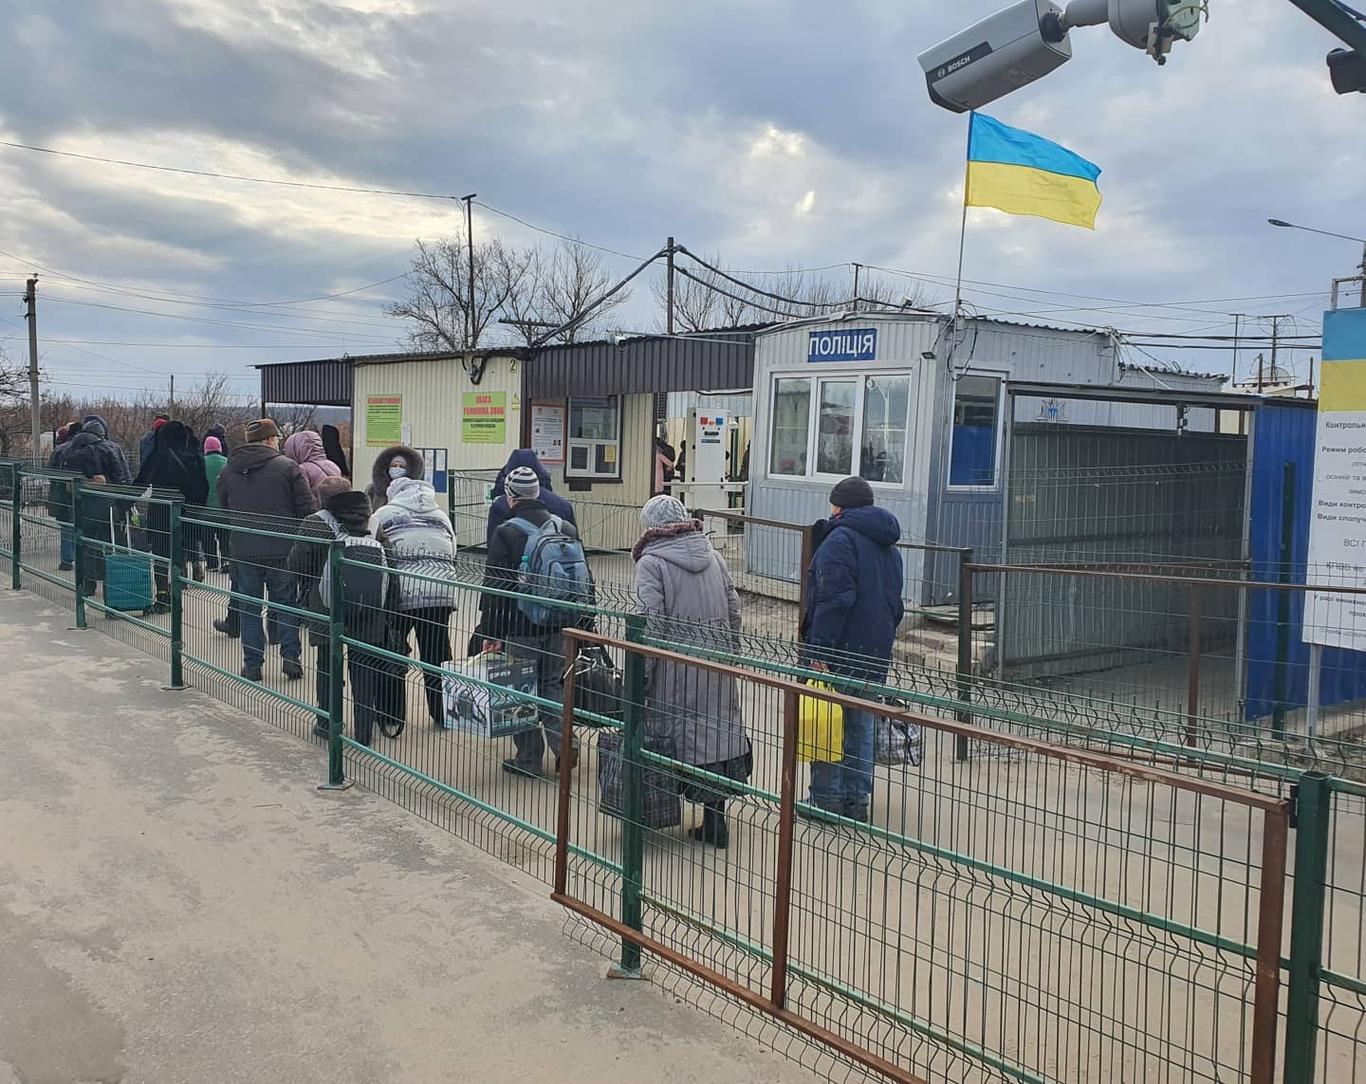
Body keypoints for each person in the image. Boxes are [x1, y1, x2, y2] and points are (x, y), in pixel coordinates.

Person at [632, 495, 751, 848]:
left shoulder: (651, 563)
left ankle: (656, 813)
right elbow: (733, 607)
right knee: (716, 734)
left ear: (651, 527)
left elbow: (650, 622)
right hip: (715, 661)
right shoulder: (713, 556)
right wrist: (731, 651)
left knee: (673, 740)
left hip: (674, 668)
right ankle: (715, 820)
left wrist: (642, 672)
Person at [801, 476, 904, 824]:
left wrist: (819, 653)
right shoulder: (888, 545)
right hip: (875, 648)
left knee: (828, 721)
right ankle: (856, 801)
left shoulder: (839, 541)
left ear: (838, 507)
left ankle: (826, 799)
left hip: (841, 649)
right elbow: (895, 603)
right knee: (862, 725)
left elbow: (833, 601)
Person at [479, 465, 584, 777]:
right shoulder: (565, 528)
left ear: (510, 497)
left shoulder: (506, 532)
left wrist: (491, 632)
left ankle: (528, 759)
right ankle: (564, 742)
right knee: (552, 683)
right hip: (560, 621)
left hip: (520, 625)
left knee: (520, 689)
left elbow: (496, 587)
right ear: (538, 493)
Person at [289, 477, 401, 745]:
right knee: (364, 669)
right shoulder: (373, 523)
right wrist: (390, 609)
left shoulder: (315, 523)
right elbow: (391, 568)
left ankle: (328, 724)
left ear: (322, 498)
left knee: (328, 666)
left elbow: (297, 565)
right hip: (370, 609)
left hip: (328, 608)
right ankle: (364, 732)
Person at [216, 418, 317, 682]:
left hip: (244, 549)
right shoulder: (288, 467)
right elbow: (307, 509)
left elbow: (225, 505)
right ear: (271, 440)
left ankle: (252, 665)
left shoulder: (229, 470)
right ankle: (291, 657)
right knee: (285, 603)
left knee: (249, 607)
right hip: (283, 548)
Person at [369, 472, 458, 728]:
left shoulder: (383, 514)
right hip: (439, 593)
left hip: (400, 593)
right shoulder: (441, 515)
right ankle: (443, 713)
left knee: (393, 650)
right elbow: (452, 550)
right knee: (437, 653)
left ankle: (391, 715)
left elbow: (373, 549)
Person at [135, 420, 210, 606]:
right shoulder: (195, 457)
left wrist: (121, 505)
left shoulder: (159, 456)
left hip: (160, 511)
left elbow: (141, 481)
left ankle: (162, 594)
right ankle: (177, 588)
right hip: (186, 512)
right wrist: (196, 510)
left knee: (160, 554)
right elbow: (203, 488)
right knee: (180, 550)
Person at [485, 449, 577, 550]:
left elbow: (493, 546)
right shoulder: (564, 506)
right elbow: (575, 545)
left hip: (518, 558)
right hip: (557, 558)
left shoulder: (500, 506)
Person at [47, 421, 82, 571]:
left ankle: (66, 560)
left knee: (66, 527)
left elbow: (50, 472)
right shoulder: (86, 448)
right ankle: (84, 561)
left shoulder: (59, 450)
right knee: (83, 527)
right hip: (82, 495)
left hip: (61, 495)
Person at [283, 430, 343, 500]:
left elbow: (302, 496)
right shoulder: (333, 465)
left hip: (315, 506)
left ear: (295, 449)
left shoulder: (302, 469)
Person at [77, 415, 133, 487]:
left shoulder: (71, 447)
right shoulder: (111, 448)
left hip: (78, 490)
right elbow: (122, 474)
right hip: (107, 490)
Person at [367, 445, 424, 513]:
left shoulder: (415, 492)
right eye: (394, 465)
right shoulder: (373, 490)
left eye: (401, 466)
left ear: (408, 470)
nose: (397, 468)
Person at [201, 436, 229, 572]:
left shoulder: (201, 463)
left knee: (207, 538)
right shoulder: (227, 463)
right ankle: (226, 561)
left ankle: (212, 563)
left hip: (206, 509)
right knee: (225, 536)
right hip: (224, 508)